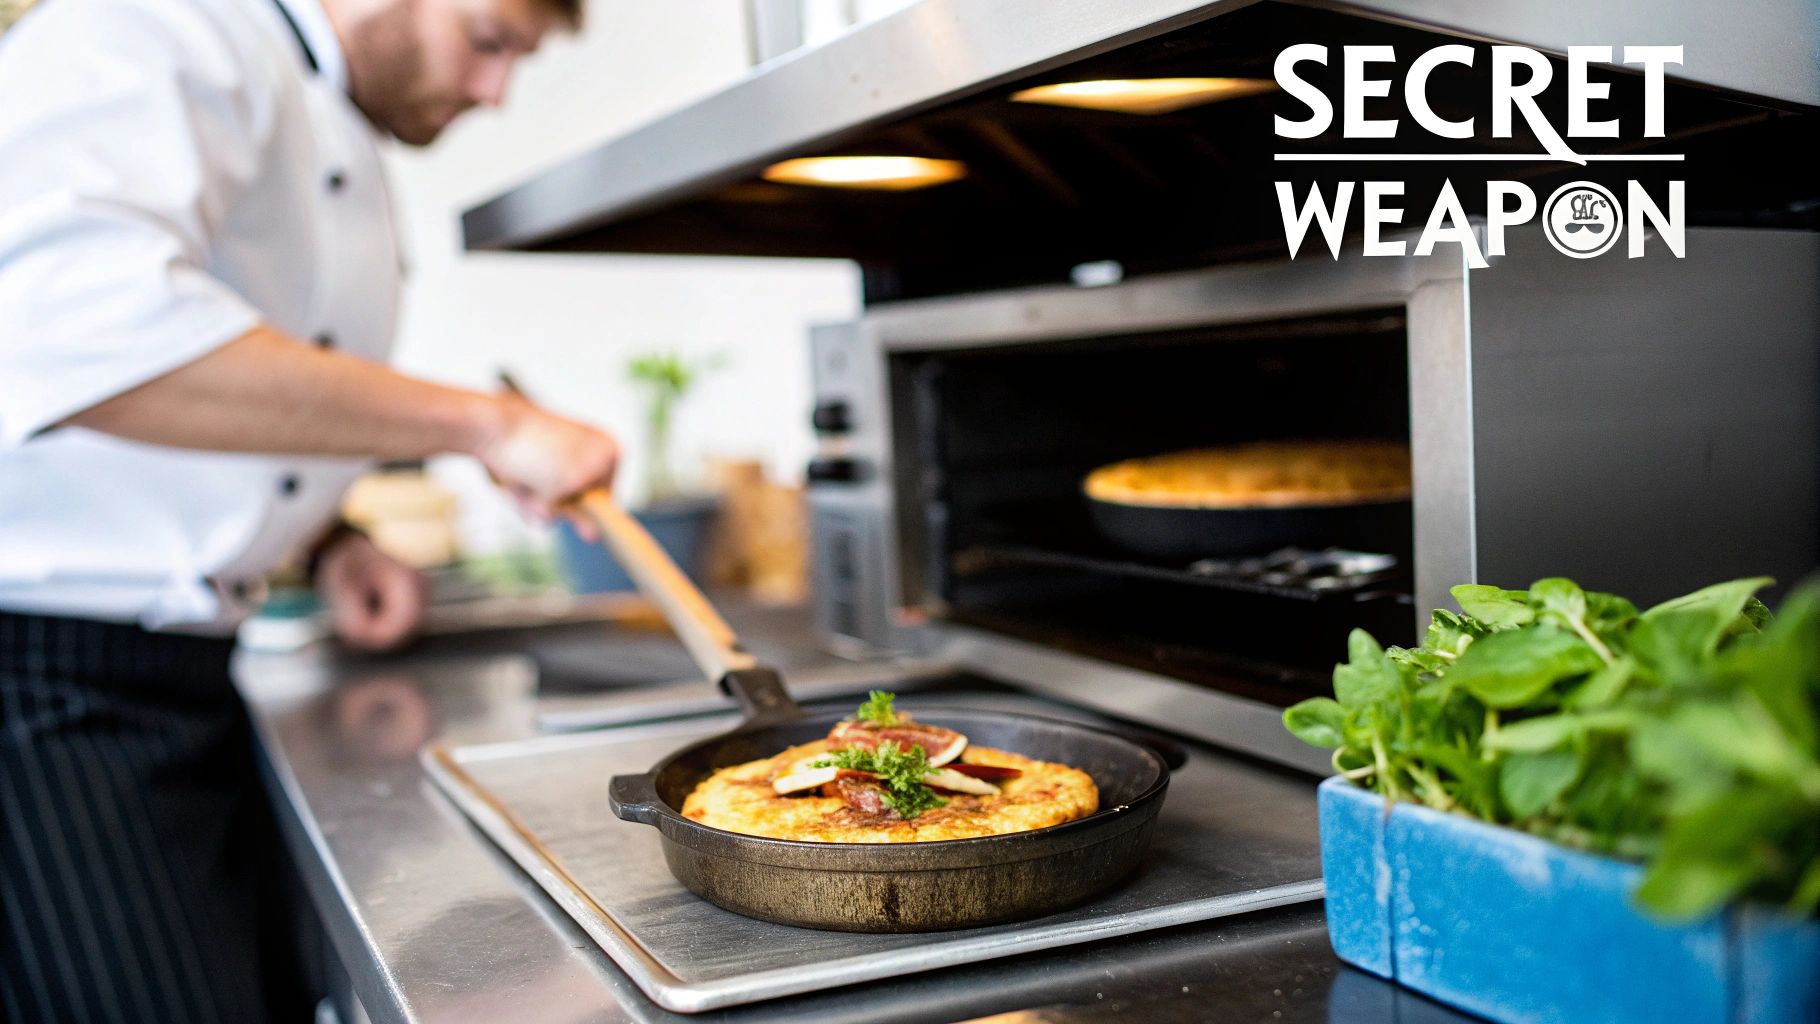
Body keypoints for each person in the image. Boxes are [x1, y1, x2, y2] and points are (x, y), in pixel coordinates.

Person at [0, 0, 618, 1018]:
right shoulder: (157, 29)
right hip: (43, 675)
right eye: (491, 39)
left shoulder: (325, 119)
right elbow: (75, 337)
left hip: (173, 672)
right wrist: (490, 425)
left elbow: (221, 395)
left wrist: (329, 536)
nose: (495, 90)